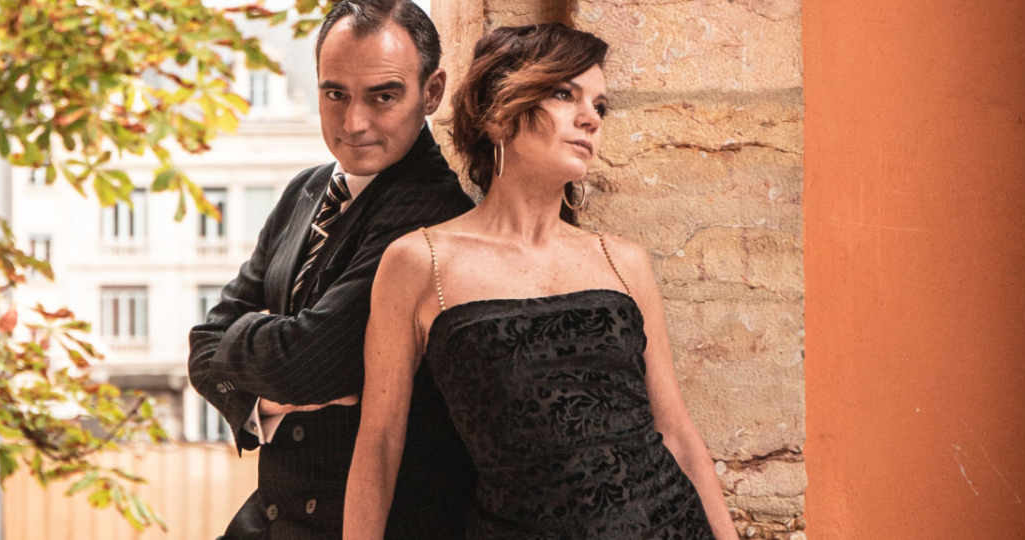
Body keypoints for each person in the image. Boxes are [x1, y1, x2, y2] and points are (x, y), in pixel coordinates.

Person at [344, 23, 740, 540]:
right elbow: (378, 448)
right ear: (496, 114)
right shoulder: (421, 262)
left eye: (600, 106)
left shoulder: (621, 260)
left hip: (671, 526)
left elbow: (677, 434)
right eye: (564, 95)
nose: (590, 118)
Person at [187, 0, 478, 538]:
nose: (353, 123)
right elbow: (202, 343)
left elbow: (304, 365)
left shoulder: (435, 211)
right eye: (335, 94)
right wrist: (269, 387)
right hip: (264, 519)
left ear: (432, 92)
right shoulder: (306, 189)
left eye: (383, 96)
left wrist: (249, 346)